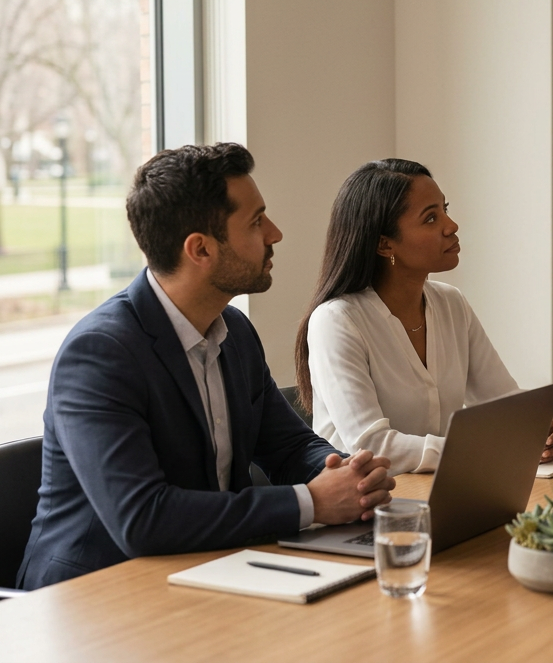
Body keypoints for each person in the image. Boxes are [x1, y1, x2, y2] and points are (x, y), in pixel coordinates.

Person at [18, 144, 395, 591]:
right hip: (91, 599)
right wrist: (310, 502)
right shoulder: (99, 353)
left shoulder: (233, 330)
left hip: (205, 570)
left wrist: (348, 473)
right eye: (256, 222)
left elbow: (288, 447)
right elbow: (143, 518)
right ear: (200, 249)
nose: (275, 233)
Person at [295, 159, 553, 477]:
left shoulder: (451, 303)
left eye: (445, 209)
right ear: (384, 243)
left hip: (446, 490)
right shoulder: (337, 321)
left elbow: (501, 400)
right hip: (366, 508)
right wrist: (483, 447)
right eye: (431, 218)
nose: (451, 226)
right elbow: (371, 446)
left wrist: (537, 427)